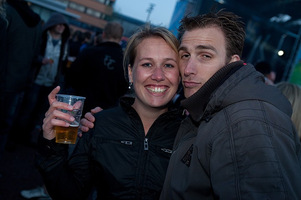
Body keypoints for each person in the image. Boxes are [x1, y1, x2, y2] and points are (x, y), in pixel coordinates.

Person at [159, 10, 301, 199]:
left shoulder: (247, 122)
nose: (188, 69)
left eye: (205, 56)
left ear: (232, 62)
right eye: (185, 55)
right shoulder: (214, 110)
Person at [36, 26, 183, 199]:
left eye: (168, 65)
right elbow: (70, 193)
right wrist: (51, 145)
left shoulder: (192, 136)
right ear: (130, 72)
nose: (158, 75)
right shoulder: (98, 126)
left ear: (180, 75)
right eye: (147, 64)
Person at [9, 12, 70, 145]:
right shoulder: (42, 38)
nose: (61, 27)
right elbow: (31, 54)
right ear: (53, 24)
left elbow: (62, 63)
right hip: (36, 81)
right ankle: (15, 138)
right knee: (26, 110)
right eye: (59, 24)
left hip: (50, 84)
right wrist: (39, 60)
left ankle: (28, 137)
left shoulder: (64, 43)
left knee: (40, 113)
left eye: (63, 25)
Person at [0, 0, 42, 151]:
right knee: (5, 126)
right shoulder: (37, 21)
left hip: (5, 79)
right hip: (19, 82)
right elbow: (35, 54)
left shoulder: (6, 11)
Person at [65, 22, 128, 114]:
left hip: (81, 107)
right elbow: (123, 89)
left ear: (103, 34)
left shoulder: (89, 52)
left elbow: (71, 77)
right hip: (106, 112)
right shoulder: (124, 62)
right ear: (120, 38)